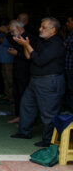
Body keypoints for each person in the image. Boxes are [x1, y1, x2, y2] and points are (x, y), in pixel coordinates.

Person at [11, 17, 66, 147]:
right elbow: (29, 56)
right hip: (35, 80)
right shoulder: (43, 41)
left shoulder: (56, 44)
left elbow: (40, 60)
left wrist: (27, 45)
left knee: (48, 112)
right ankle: (24, 132)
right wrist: (25, 45)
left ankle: (49, 140)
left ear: (53, 29)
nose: (40, 29)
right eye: (41, 26)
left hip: (49, 81)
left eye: (44, 27)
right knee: (27, 105)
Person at [6, 20, 34, 124]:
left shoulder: (28, 38)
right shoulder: (16, 38)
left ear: (19, 28)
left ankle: (25, 119)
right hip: (17, 71)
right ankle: (18, 116)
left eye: (12, 30)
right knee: (17, 95)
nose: (11, 33)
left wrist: (17, 53)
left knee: (24, 96)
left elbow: (31, 57)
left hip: (25, 72)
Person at [64, 16, 73, 113]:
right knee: (68, 89)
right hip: (67, 66)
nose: (67, 24)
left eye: (69, 22)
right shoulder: (69, 34)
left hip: (71, 67)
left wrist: (66, 46)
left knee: (71, 89)